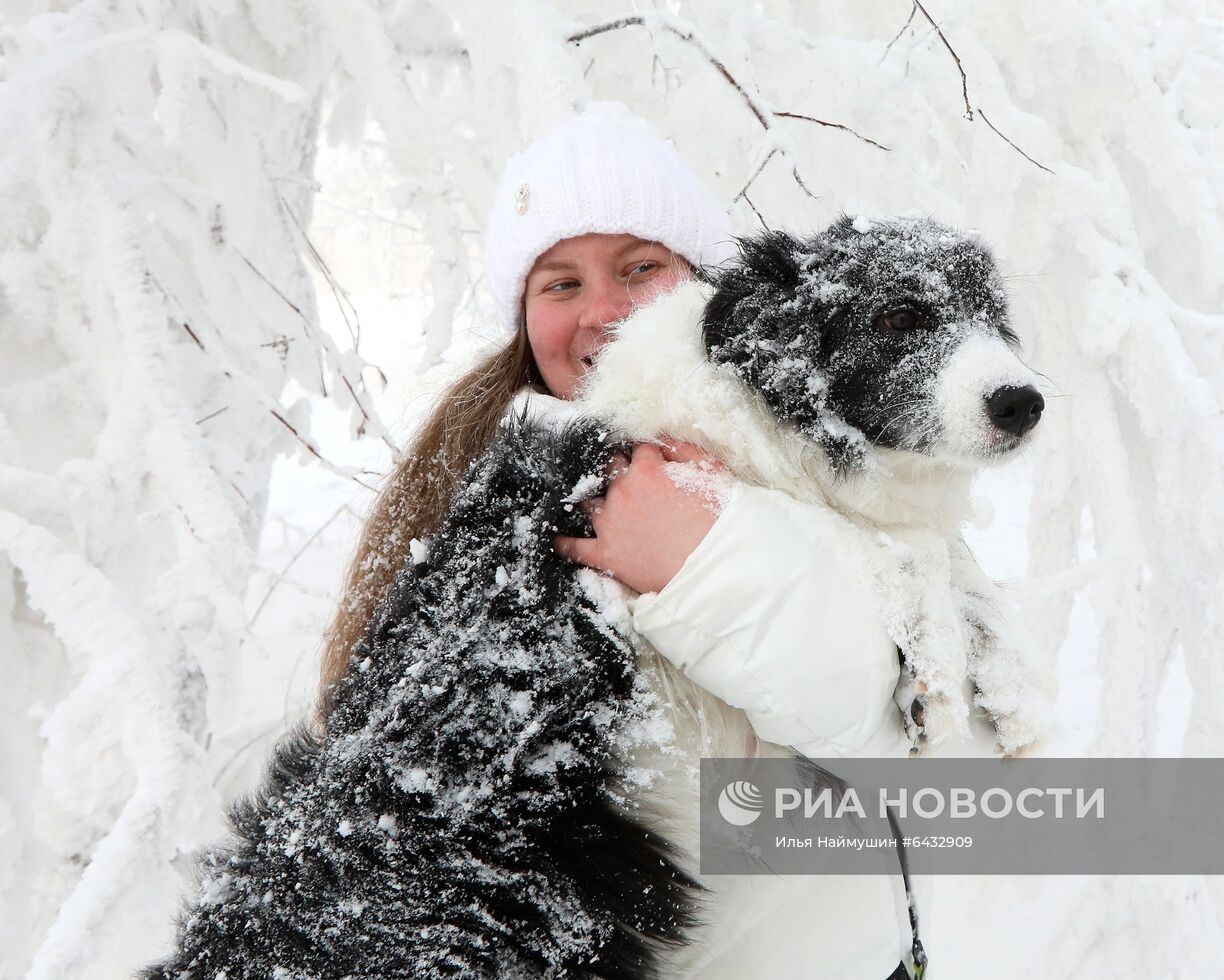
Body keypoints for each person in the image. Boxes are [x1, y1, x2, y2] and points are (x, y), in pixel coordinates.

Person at [319, 102, 920, 979]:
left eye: (640, 267)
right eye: (559, 284)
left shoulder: (832, 462)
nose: (602, 311)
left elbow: (942, 757)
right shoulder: (456, 501)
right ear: (522, 318)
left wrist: (704, 558)